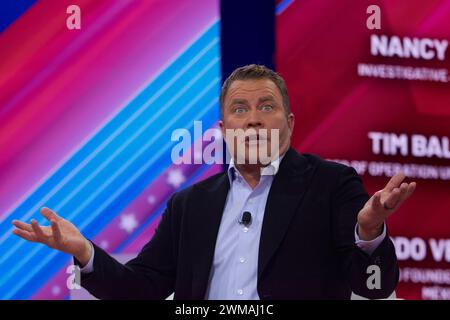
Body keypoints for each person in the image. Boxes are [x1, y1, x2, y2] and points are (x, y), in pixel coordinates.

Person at [12, 64, 416, 299]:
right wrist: (85, 251)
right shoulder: (191, 204)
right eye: (240, 109)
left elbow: (373, 287)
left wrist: (369, 231)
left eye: (267, 107)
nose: (254, 118)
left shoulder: (330, 183)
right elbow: (143, 290)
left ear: (289, 125)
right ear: (224, 129)